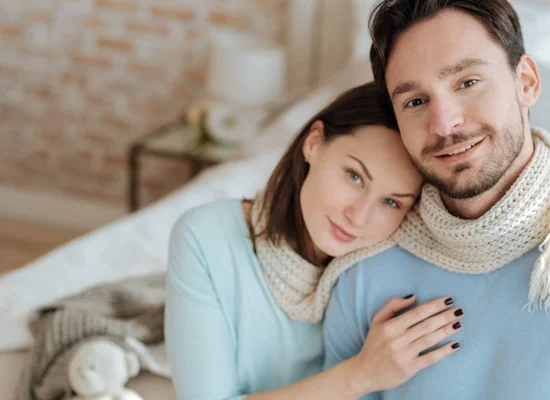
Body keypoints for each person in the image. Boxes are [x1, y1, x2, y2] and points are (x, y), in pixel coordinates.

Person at [322, 1, 550, 399]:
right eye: (415, 102)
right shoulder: (363, 272)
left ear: (526, 83)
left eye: (467, 82)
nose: (444, 124)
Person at [165, 82, 466, 400]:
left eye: (391, 202)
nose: (359, 216)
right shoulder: (206, 237)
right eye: (354, 176)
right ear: (314, 143)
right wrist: (361, 375)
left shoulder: (385, 267)